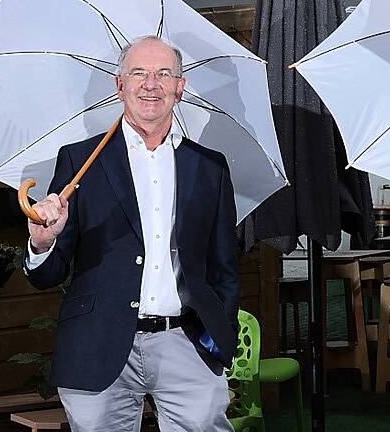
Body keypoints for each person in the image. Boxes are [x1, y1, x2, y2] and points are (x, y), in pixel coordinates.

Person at [23, 35, 239, 432]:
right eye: (138, 73)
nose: (150, 84)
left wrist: (218, 332)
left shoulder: (210, 167)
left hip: (186, 343)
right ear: (120, 85)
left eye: (163, 74)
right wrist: (42, 241)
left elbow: (223, 266)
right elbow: (48, 274)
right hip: (97, 342)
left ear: (180, 87)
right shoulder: (80, 162)